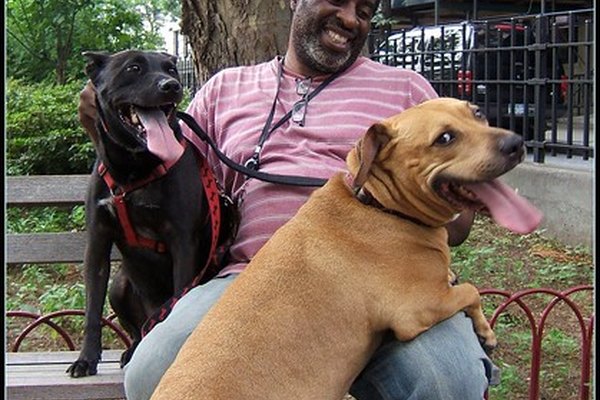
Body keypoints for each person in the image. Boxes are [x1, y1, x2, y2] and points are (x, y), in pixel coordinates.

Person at [79, 0, 499, 398]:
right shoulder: (225, 89)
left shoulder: (408, 92)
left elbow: (457, 227)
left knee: (448, 383)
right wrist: (108, 129)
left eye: (365, 11)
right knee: (151, 374)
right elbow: (165, 175)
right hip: (251, 284)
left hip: (390, 281)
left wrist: (464, 190)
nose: (352, 19)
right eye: (338, 2)